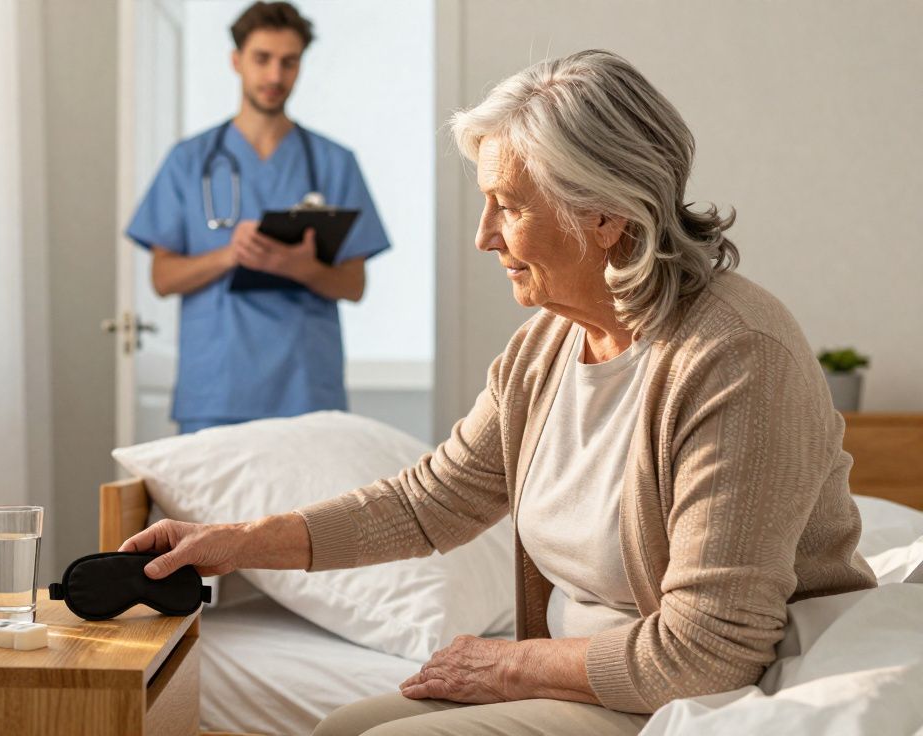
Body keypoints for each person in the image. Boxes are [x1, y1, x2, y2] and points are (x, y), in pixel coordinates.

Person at [120, 49, 877, 734]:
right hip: (592, 675)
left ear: (605, 212)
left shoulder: (736, 357)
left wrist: (510, 663)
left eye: (508, 205)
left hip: (703, 696)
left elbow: (708, 653)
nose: (485, 236)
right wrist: (239, 542)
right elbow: (429, 503)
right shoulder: (546, 346)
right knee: (341, 730)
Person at [125, 1, 391, 435]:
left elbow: (354, 284)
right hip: (216, 390)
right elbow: (162, 278)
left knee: (310, 506)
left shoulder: (333, 163)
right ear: (236, 61)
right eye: (262, 59)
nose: (274, 76)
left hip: (305, 391)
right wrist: (230, 255)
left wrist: (301, 268)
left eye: (289, 63)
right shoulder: (190, 161)